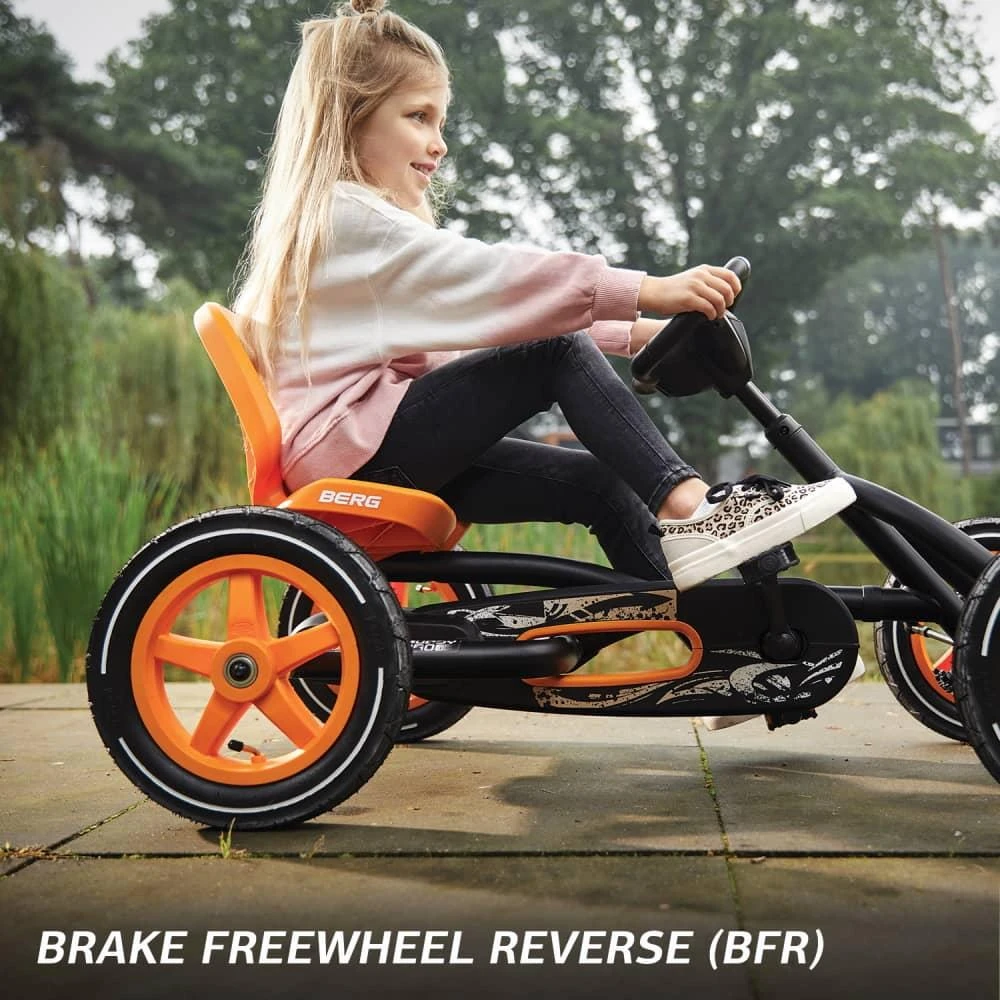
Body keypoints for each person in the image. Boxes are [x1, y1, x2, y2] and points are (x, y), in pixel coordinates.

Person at [232, 0, 855, 598]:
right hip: (355, 459)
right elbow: (496, 282)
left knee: (605, 484)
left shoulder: (354, 227)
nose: (439, 143)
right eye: (418, 117)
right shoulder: (350, 221)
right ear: (350, 116)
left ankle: (711, 640)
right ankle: (691, 507)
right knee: (553, 353)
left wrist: (634, 333)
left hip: (379, 449)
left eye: (440, 122)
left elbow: (482, 327)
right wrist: (647, 290)